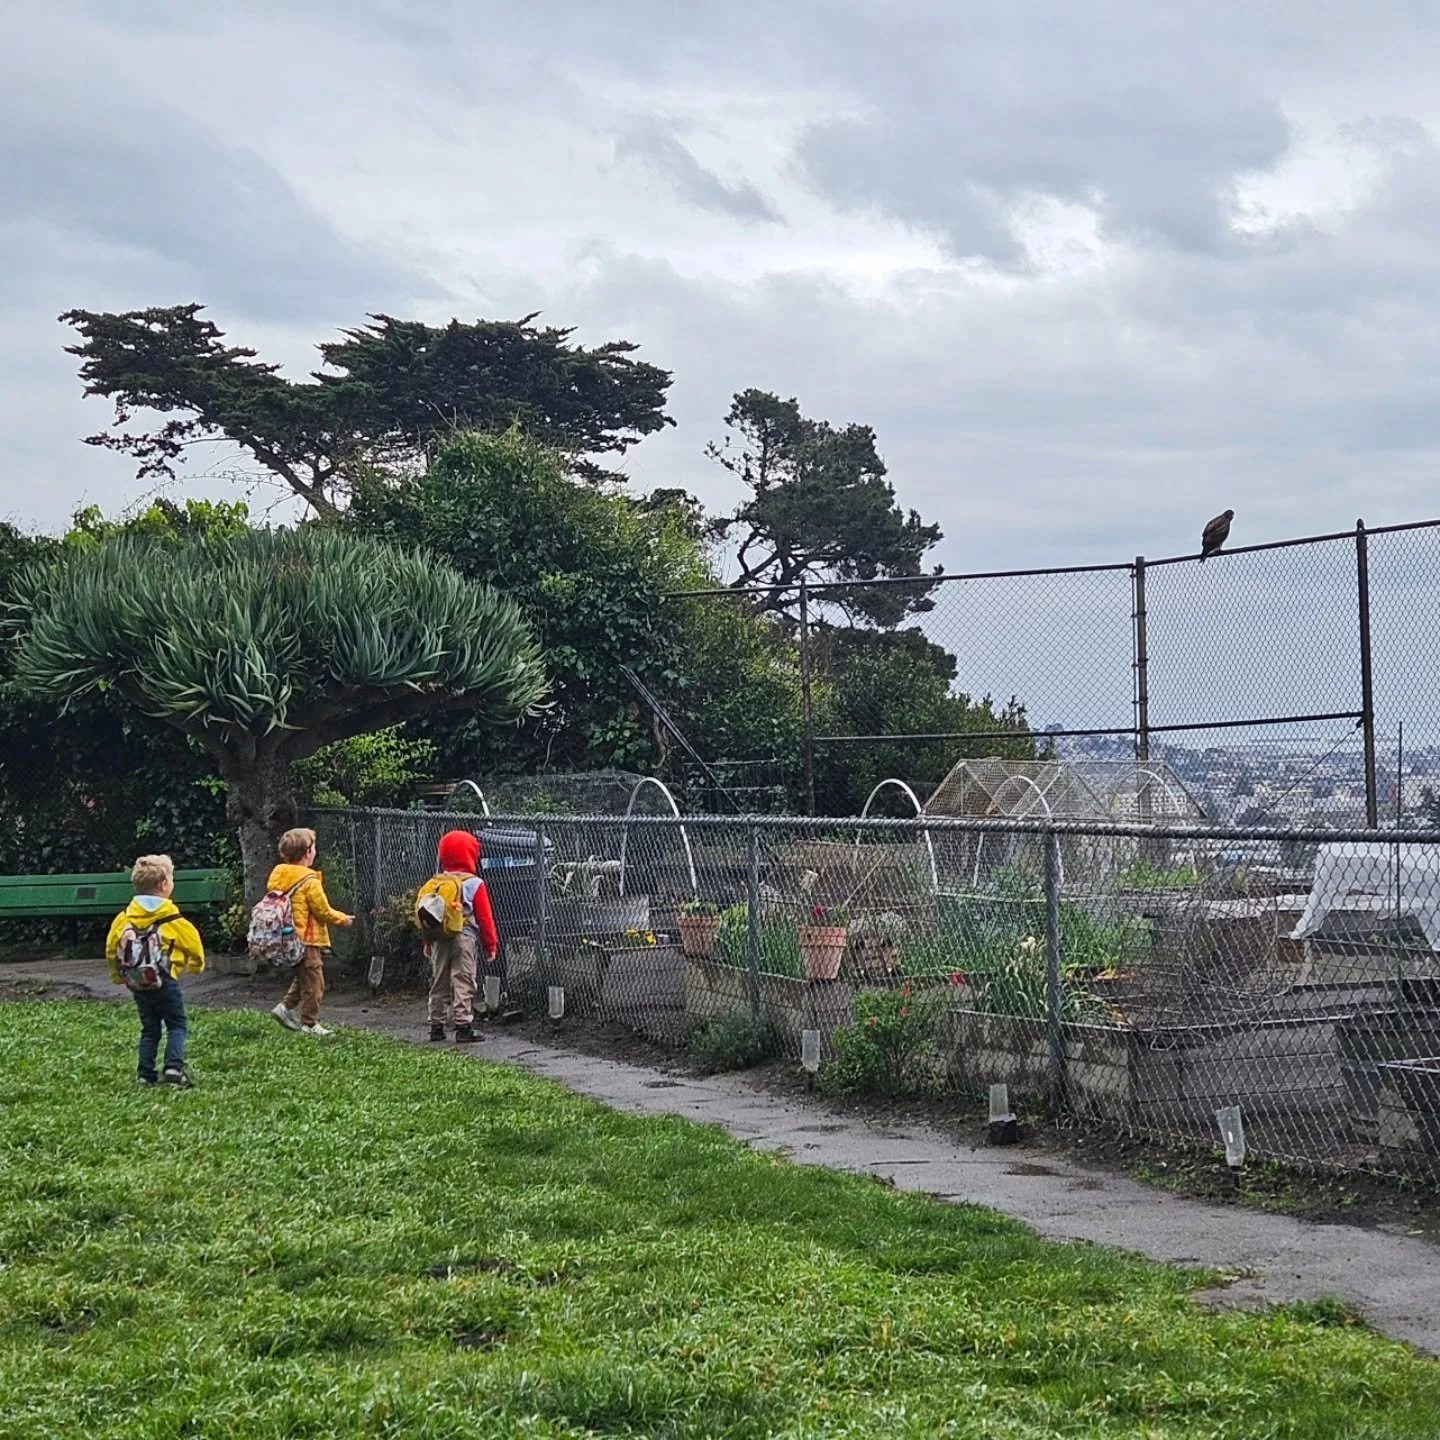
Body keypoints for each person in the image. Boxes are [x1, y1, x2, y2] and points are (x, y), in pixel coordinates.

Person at [105, 853, 206, 1087]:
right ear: (164, 885)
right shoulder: (173, 919)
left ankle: (145, 1074)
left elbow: (111, 949)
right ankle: (173, 1068)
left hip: (137, 982)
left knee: (149, 1029)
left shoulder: (123, 919)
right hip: (165, 980)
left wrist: (117, 975)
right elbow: (195, 946)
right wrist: (196, 966)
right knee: (177, 1024)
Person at [267, 827, 354, 1038]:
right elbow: (322, 910)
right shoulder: (309, 881)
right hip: (308, 938)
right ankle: (310, 1023)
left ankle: (285, 1007)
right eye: (314, 848)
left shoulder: (279, 876)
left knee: (303, 976)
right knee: (316, 983)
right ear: (308, 852)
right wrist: (343, 920)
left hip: (288, 937)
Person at [421, 829, 500, 1044]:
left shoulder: (435, 882)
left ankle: (436, 1026)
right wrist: (490, 944)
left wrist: (427, 941)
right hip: (464, 938)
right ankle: (463, 1026)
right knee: (463, 980)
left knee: (439, 981)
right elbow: (485, 918)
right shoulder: (474, 883)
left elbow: (427, 915)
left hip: (439, 937)